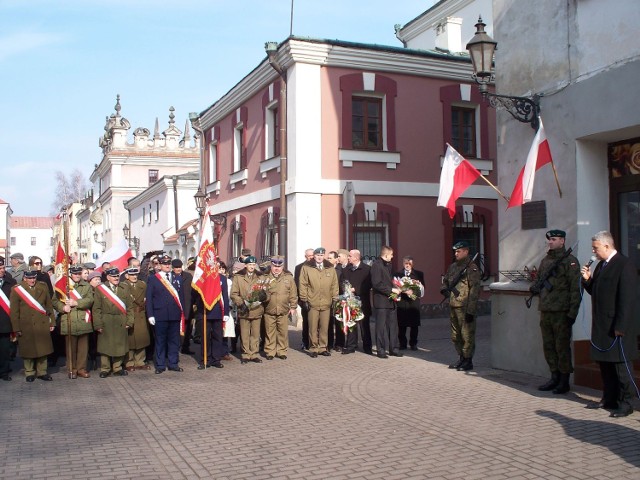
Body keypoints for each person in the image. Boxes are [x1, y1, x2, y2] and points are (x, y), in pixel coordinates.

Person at [581, 231, 638, 418]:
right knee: (605, 365)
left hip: (618, 326)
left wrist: (621, 326)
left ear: (607, 246)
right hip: (602, 325)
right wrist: (588, 280)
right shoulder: (601, 266)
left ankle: (627, 402)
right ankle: (610, 398)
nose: (593, 251)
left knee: (621, 367)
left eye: (595, 248)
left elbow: (627, 299)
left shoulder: (624, 264)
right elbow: (596, 291)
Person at [532, 230, 581, 394]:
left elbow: (575, 289)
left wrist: (572, 314)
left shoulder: (570, 262)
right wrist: (534, 287)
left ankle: (564, 380)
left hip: (561, 311)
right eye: (549, 240)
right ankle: (554, 376)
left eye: (554, 239)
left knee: (562, 347)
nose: (550, 242)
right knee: (549, 346)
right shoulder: (546, 260)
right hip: (546, 310)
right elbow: (539, 280)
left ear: (562, 241)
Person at [10, 269, 56, 382]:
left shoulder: (43, 286)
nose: (32, 280)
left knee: (43, 349)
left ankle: (42, 372)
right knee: (28, 350)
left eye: (34, 278)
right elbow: (14, 311)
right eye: (30, 278)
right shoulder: (17, 289)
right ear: (25, 278)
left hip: (42, 322)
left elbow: (49, 306)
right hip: (26, 324)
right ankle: (29, 372)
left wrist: (52, 322)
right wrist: (16, 327)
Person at [442, 241, 481, 371]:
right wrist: (444, 289)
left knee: (467, 335)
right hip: (453, 304)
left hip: (465, 307)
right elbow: (446, 280)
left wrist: (471, 310)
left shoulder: (472, 268)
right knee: (455, 335)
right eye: (455, 251)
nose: (456, 253)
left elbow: (475, 290)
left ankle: (468, 360)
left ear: (466, 252)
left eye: (458, 251)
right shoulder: (452, 267)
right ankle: (461, 358)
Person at [146, 255, 186, 374]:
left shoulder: (177, 278)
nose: (167, 266)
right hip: (160, 314)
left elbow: (181, 298)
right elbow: (149, 298)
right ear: (160, 265)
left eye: (169, 263)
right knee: (160, 341)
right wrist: (150, 315)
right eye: (164, 264)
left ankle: (173, 363)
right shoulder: (153, 279)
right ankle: (160, 365)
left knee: (174, 341)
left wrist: (182, 313)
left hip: (174, 314)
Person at [52, 265, 94, 379]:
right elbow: (55, 301)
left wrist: (76, 303)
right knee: (70, 348)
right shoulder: (63, 286)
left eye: (79, 273)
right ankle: (72, 369)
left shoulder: (87, 286)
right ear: (70, 274)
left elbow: (90, 300)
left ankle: (81, 369)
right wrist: (62, 308)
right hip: (69, 319)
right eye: (75, 274)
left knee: (83, 348)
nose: (77, 275)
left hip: (82, 319)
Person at [92, 267, 134, 378]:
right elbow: (96, 309)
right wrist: (98, 324)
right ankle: (105, 368)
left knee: (120, 345)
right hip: (106, 320)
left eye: (117, 276)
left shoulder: (124, 288)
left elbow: (130, 307)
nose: (116, 278)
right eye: (114, 276)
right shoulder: (100, 289)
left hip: (121, 320)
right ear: (108, 277)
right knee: (105, 346)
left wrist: (129, 321)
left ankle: (117, 368)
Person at [298, 247, 338, 358]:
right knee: (313, 327)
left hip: (326, 302)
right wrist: (304, 299)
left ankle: (323, 347)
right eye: (317, 255)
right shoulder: (306, 268)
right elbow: (303, 284)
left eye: (321, 255)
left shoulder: (330, 268)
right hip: (312, 302)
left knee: (324, 327)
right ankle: (313, 348)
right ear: (314, 256)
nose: (320, 257)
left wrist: (334, 299)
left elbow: (334, 285)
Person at [231, 256, 269, 364]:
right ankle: (246, 354)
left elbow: (268, 293)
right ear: (246, 265)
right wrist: (241, 303)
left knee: (255, 334)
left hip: (257, 309)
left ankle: (254, 354)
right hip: (244, 310)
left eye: (253, 265)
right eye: (250, 265)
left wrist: (264, 296)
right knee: (244, 333)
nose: (252, 267)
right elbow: (233, 294)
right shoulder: (238, 277)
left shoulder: (260, 277)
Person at [193, 267, 230, 369]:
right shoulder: (202, 278)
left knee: (218, 337)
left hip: (218, 311)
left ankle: (216, 359)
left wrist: (226, 312)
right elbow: (196, 294)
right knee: (205, 337)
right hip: (204, 312)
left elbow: (225, 296)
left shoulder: (222, 278)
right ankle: (205, 359)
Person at [371, 246, 403, 359]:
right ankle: (381, 350)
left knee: (393, 326)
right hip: (381, 302)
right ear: (385, 255)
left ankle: (394, 348)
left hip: (391, 301)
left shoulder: (389, 265)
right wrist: (391, 290)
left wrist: (398, 286)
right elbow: (377, 284)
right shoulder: (376, 265)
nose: (393, 257)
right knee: (380, 327)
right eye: (391, 255)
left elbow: (390, 280)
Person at [264, 255, 297, 360]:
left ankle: (282, 351)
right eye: (274, 266)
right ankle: (270, 351)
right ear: (271, 266)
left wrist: (293, 307)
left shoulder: (288, 277)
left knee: (282, 332)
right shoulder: (265, 277)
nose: (277, 268)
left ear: (282, 267)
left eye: (279, 266)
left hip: (283, 309)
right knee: (270, 332)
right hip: (269, 309)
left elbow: (293, 294)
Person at [341, 249, 373, 355]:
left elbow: (369, 284)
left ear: (356, 257)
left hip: (362, 302)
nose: (348, 257)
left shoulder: (367, 269)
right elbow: (342, 282)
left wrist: (356, 289)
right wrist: (345, 288)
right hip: (350, 301)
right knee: (351, 324)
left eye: (350, 256)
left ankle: (367, 346)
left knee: (364, 325)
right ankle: (351, 345)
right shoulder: (346, 270)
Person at [121, 267, 151, 371]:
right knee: (130, 339)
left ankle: (140, 361)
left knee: (141, 339)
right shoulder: (123, 286)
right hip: (129, 314)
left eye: (136, 275)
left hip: (141, 314)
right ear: (126, 276)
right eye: (132, 275)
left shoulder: (142, 285)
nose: (134, 277)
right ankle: (129, 362)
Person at [395, 256, 425, 351]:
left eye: (409, 264)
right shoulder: (398, 274)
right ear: (403, 264)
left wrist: (413, 292)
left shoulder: (419, 274)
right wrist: (403, 290)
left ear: (413, 264)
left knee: (414, 325)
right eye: (406, 263)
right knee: (401, 325)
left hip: (413, 303)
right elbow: (395, 286)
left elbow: (422, 288)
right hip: (402, 303)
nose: (407, 265)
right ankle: (402, 344)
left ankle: (413, 344)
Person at [0, 257, 17, 381]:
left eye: (3, 267)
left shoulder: (11, 282)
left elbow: (15, 303)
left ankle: (4, 372)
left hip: (5, 322)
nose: (2, 270)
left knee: (5, 349)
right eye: (0, 268)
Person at [294, 248, 314, 350]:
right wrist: (300, 301)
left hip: (316, 300)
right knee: (306, 322)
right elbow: (297, 284)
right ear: (305, 256)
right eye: (309, 256)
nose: (311, 257)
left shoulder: (319, 266)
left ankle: (315, 343)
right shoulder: (299, 268)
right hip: (304, 301)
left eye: (312, 255)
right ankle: (305, 342)